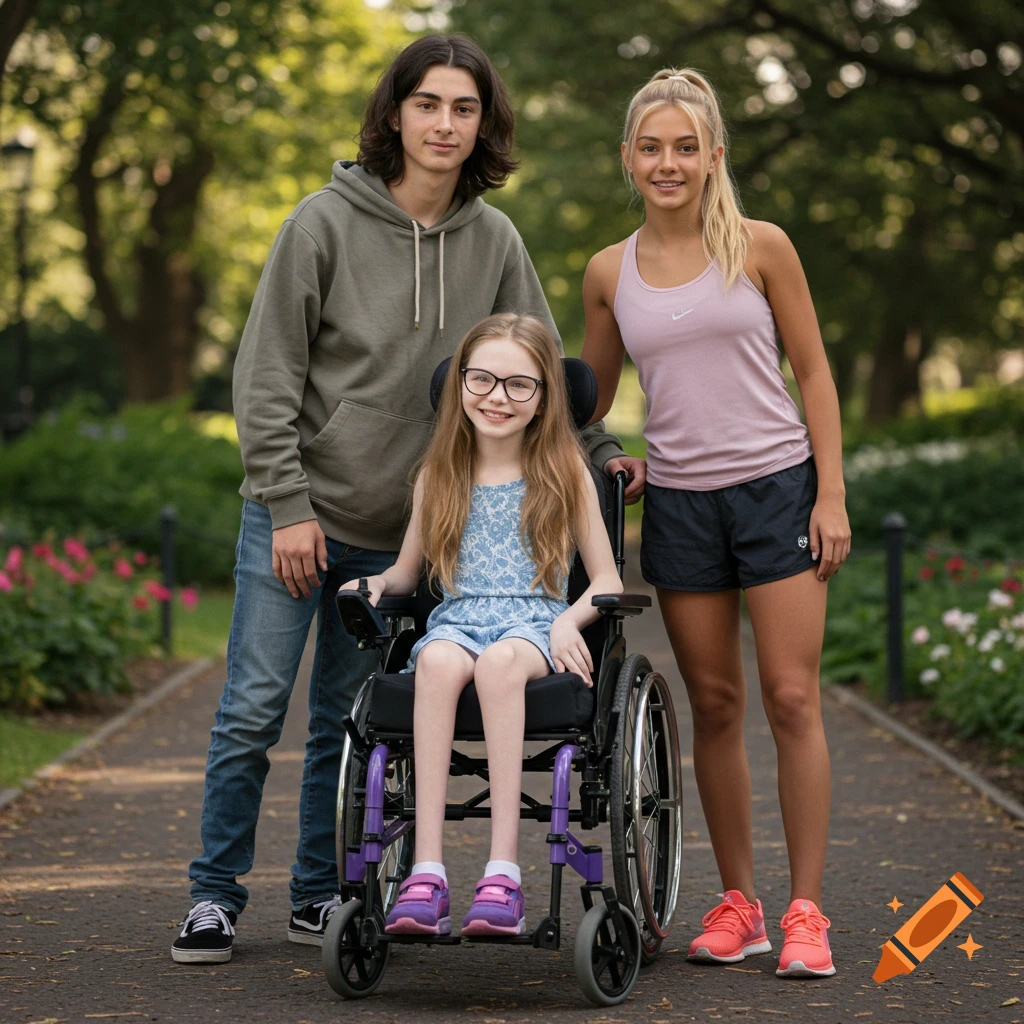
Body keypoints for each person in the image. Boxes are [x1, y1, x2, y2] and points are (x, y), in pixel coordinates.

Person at [172, 35, 639, 965]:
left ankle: (317, 895)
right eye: (428, 104)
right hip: (300, 514)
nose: (444, 124)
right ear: (395, 113)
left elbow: (540, 370)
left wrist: (602, 452)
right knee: (253, 709)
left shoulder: (494, 240)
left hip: (409, 537)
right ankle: (214, 896)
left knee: (342, 725)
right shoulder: (320, 225)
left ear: (483, 125)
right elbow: (266, 377)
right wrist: (288, 503)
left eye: (464, 108)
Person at [581, 68, 851, 979]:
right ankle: (742, 905)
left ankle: (806, 911)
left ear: (713, 157)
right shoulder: (608, 272)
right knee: (717, 706)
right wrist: (613, 453)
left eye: (686, 148)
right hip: (682, 506)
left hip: (777, 491)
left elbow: (813, 372)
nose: (669, 163)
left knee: (791, 697)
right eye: (652, 148)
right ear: (629, 158)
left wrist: (830, 494)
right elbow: (590, 399)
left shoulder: (761, 247)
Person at [340, 312, 623, 937]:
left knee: (499, 664)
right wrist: (376, 586)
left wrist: (569, 623)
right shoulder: (439, 473)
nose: (498, 397)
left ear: (544, 397)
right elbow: (407, 573)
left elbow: (607, 581)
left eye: (519, 384)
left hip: (535, 623)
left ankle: (503, 874)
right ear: (460, 384)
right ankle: (427, 872)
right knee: (436, 660)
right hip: (457, 622)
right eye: (483, 380)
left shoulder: (563, 470)